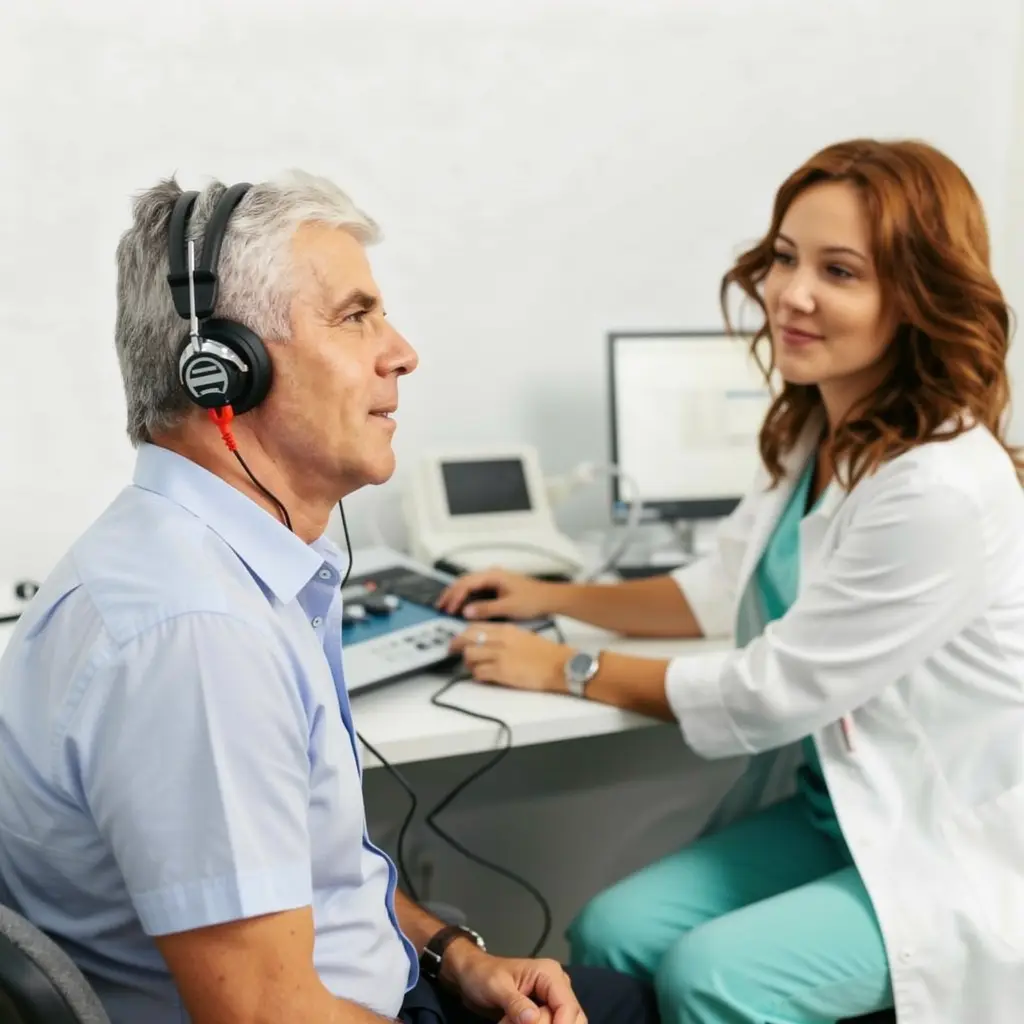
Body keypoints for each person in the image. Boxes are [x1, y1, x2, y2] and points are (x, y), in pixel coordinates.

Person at [0, 173, 658, 1024]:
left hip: (383, 985)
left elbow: (315, 875)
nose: (402, 352)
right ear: (225, 370)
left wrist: (450, 955)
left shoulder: (202, 561)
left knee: (620, 994)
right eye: (356, 317)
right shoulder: (200, 639)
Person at [439, 138, 1024, 1023]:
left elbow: (771, 693)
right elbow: (718, 586)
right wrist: (553, 598)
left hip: (947, 841)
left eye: (840, 270)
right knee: (609, 932)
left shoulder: (938, 483)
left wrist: (563, 666)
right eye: (786, 257)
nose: (792, 293)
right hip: (844, 818)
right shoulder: (816, 434)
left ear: (915, 297)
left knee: (714, 977)